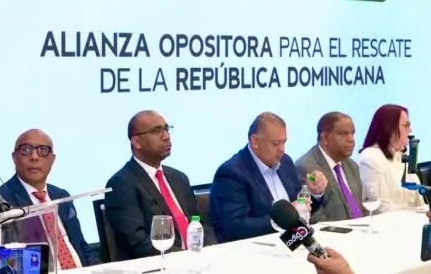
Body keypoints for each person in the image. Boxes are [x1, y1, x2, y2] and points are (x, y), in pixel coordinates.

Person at [104, 111, 212, 261]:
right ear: (136, 142)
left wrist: (211, 250)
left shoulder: (179, 178)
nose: (166, 136)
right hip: (159, 264)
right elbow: (138, 242)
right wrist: (185, 258)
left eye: (167, 129)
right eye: (156, 131)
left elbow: (200, 223)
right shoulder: (121, 184)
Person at [0, 129, 96, 269]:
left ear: (52, 160)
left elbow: (82, 247)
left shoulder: (62, 195)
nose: (34, 157)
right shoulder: (0, 201)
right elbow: (6, 262)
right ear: (14, 157)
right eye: (26, 150)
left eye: (42, 150)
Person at [210, 112, 305, 242]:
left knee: (324, 251)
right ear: (255, 141)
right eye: (276, 144)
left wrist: (314, 194)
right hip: (256, 247)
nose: (282, 149)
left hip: (294, 239)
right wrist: (280, 219)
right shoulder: (231, 173)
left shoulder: (285, 162)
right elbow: (235, 227)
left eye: (284, 142)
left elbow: (300, 207)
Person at [295, 112, 363, 223]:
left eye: (352, 133)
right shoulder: (305, 167)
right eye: (343, 134)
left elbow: (361, 207)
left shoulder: (352, 165)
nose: (351, 139)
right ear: (325, 138)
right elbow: (314, 217)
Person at [357, 104, 424, 213]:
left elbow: (419, 202)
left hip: (413, 220)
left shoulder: (401, 155)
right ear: (389, 127)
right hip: (388, 222)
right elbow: (381, 208)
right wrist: (417, 214)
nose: (410, 130)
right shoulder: (370, 158)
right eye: (406, 125)